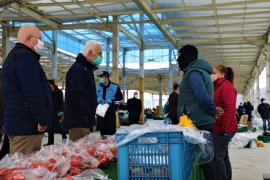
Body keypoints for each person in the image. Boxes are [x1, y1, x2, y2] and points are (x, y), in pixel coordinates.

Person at [1, 24, 52, 155]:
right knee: (25, 169)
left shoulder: (14, 56)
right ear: (30, 38)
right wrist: (42, 119)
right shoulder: (26, 58)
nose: (41, 42)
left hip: (17, 123)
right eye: (40, 39)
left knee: (16, 168)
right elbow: (33, 92)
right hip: (26, 126)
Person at [177, 44, 219, 180]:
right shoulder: (196, 71)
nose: (178, 59)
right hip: (196, 122)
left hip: (199, 123)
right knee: (205, 159)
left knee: (206, 160)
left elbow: (202, 96)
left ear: (187, 56)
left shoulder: (194, 73)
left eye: (180, 56)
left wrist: (213, 110)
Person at [63, 40, 102, 142]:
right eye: (99, 53)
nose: (101, 57)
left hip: (83, 120)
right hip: (79, 122)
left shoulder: (85, 69)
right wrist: (87, 114)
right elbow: (76, 97)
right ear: (90, 53)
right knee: (78, 153)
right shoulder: (79, 70)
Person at [212, 65, 237, 180]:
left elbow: (230, 109)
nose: (211, 75)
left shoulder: (226, 87)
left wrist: (225, 129)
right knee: (223, 156)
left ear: (222, 75)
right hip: (220, 126)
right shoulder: (218, 86)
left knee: (218, 157)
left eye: (214, 72)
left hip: (223, 128)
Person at [96, 71, 123, 136]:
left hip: (110, 112)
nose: (100, 79)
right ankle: (103, 145)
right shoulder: (97, 87)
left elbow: (119, 99)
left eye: (101, 77)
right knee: (102, 132)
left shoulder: (115, 87)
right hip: (100, 113)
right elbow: (92, 99)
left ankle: (111, 145)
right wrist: (98, 100)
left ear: (106, 77)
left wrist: (111, 102)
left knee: (111, 131)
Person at [44, 80, 67, 145]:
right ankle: (50, 142)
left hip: (57, 112)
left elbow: (61, 102)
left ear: (52, 84)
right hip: (49, 112)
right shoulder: (48, 92)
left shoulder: (59, 91)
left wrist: (61, 112)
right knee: (50, 128)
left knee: (59, 126)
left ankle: (64, 137)